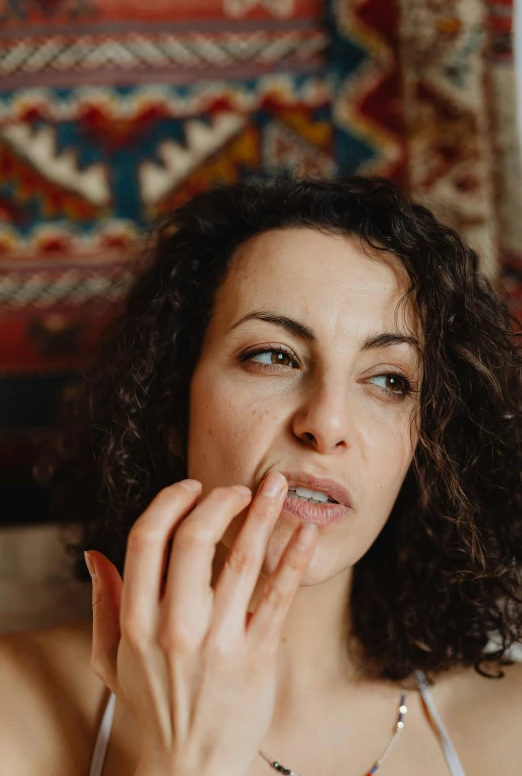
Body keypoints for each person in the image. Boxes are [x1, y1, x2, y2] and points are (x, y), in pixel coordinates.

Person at [1, 174, 522, 776]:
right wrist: (185, 761)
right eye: (274, 356)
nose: (326, 424)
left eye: (388, 379)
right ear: (172, 406)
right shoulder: (16, 707)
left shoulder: (508, 731)